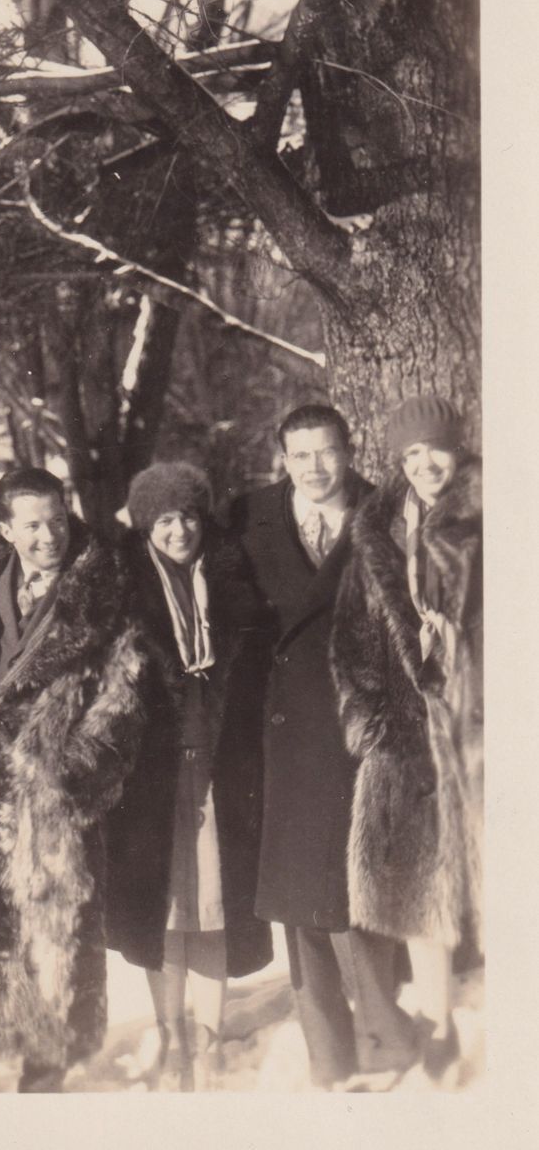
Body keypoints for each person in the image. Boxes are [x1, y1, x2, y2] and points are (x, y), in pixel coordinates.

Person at [0, 466, 145, 1092]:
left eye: (57, 521)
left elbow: (121, 708)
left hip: (49, 815)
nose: (49, 536)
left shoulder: (102, 598)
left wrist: (64, 784)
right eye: (33, 525)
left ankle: (42, 1100)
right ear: (7, 530)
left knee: (48, 979)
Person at [229, 405, 418, 1090]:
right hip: (282, 731)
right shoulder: (249, 518)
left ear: (349, 450)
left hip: (358, 730)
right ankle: (329, 1058)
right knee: (298, 902)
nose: (315, 467)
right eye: (300, 454)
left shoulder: (386, 515)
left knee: (357, 894)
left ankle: (386, 1045)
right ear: (283, 457)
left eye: (328, 451)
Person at [106, 462, 273, 1090]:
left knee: (214, 905)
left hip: (222, 762)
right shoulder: (124, 589)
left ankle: (209, 1038)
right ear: (146, 526)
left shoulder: (231, 580)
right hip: (152, 774)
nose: (180, 531)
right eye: (165, 520)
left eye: (189, 517)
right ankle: (170, 1032)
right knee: (165, 910)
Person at [331, 395, 482, 1085]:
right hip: (405, 736)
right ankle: (439, 1023)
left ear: (459, 449)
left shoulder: (490, 516)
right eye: (411, 453)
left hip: (476, 728)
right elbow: (351, 639)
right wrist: (369, 720)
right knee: (421, 889)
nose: (425, 464)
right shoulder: (377, 530)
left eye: (436, 450)